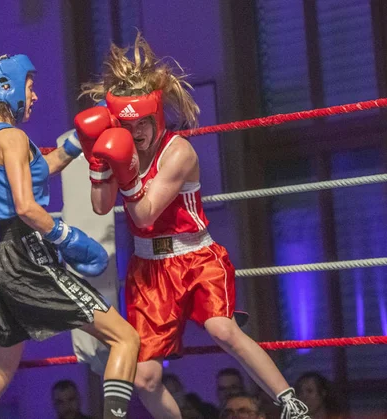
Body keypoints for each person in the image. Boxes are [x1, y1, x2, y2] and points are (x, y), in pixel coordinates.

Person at [73, 33, 310, 419]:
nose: (136, 135)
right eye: (128, 127)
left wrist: (127, 173)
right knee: (145, 379)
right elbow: (102, 208)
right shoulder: (118, 145)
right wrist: (99, 164)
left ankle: (291, 404)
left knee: (222, 329)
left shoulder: (179, 151)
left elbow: (145, 214)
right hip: (148, 272)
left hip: (195, 258)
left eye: (143, 125)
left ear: (156, 117)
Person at [0, 53, 140, 419]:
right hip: (27, 254)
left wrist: (77, 142)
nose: (34, 95)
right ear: (5, 87)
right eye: (29, 85)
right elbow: (26, 206)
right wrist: (66, 236)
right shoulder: (11, 136)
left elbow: (40, 169)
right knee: (126, 338)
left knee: (0, 372)